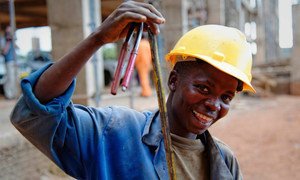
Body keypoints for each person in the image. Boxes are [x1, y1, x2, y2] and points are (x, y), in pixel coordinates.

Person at [10, 1, 255, 179]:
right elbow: (36, 112)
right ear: (172, 81)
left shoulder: (224, 162)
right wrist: (97, 39)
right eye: (203, 88)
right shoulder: (114, 131)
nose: (214, 104)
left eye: (226, 97)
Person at [1, 26, 17, 99]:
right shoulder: (3, 40)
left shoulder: (12, 40)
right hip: (8, 61)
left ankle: (13, 94)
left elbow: (16, 48)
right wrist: (8, 42)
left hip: (14, 61)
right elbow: (4, 51)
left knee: (13, 78)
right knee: (10, 78)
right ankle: (8, 95)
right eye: (8, 32)